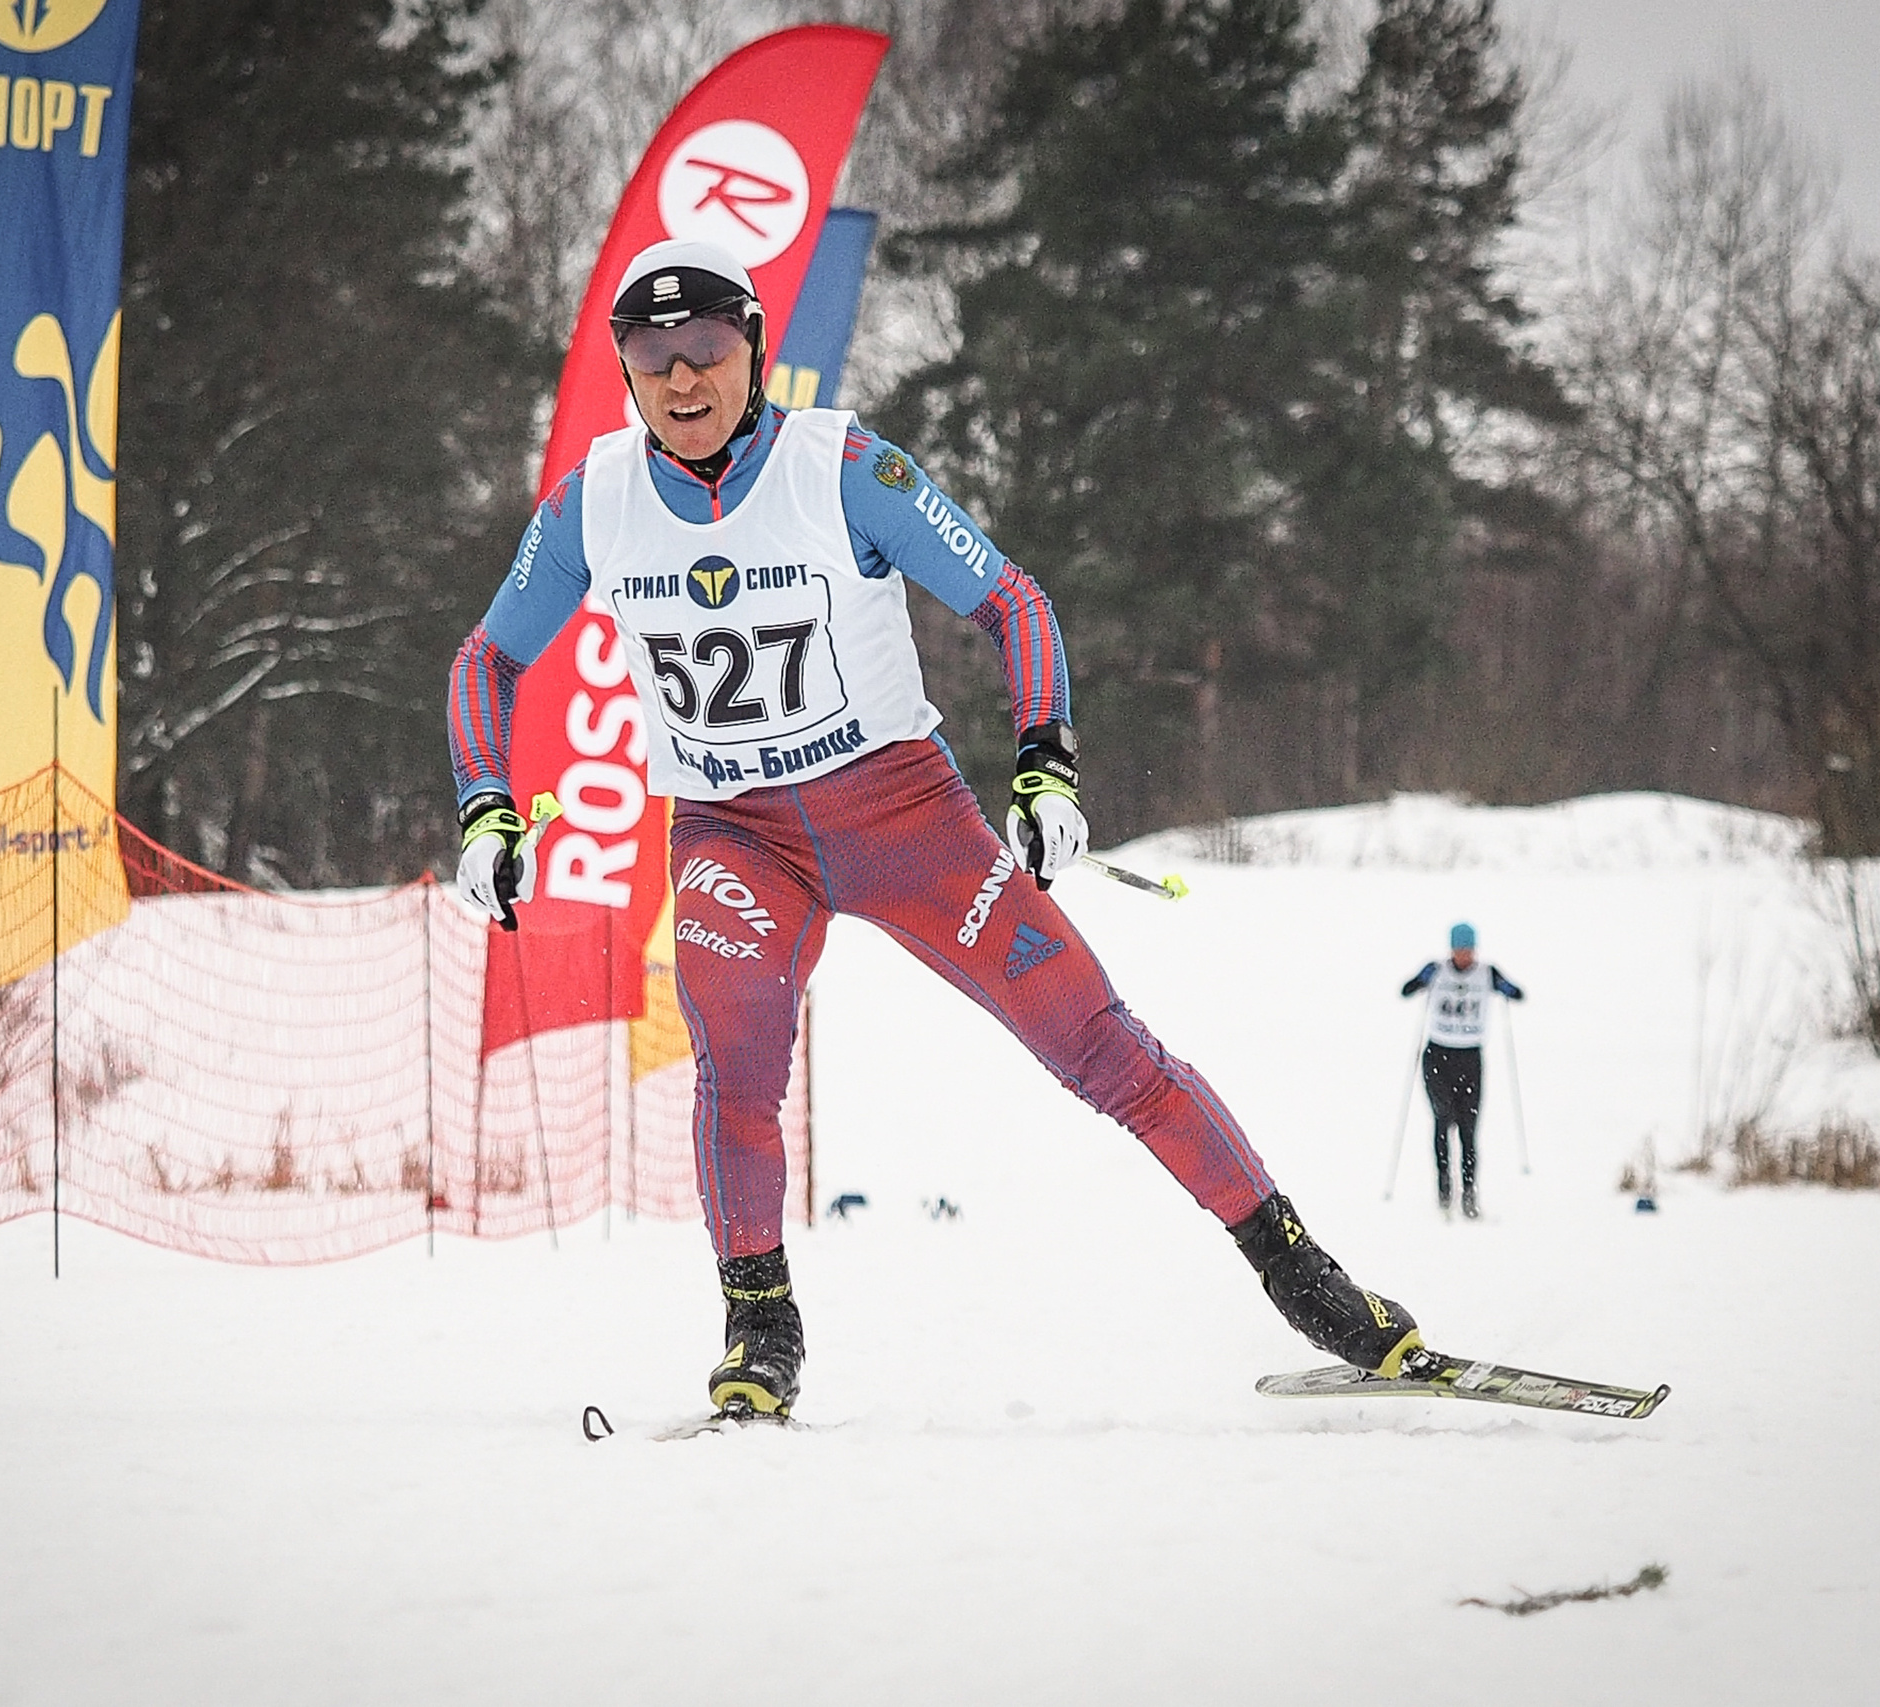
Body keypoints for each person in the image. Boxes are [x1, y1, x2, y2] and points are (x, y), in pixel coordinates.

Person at [444, 237, 1422, 1419]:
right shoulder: (594, 501)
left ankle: (1309, 1281)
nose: (683, 381)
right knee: (737, 1064)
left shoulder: (842, 467)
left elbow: (1012, 599)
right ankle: (761, 1330)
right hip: (731, 835)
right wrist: (486, 807)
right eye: (652, 359)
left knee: (1100, 1051)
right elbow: (488, 659)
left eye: (705, 350)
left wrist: (1044, 768)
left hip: (902, 820)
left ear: (752, 349)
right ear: (627, 372)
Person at [1400, 923, 1523, 1220]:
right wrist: (1423, 979)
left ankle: (1469, 1192)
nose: (1464, 955)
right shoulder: (1437, 969)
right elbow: (1405, 990)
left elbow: (1518, 993)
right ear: (1451, 949)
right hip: (1438, 1055)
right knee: (1443, 1120)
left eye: (1468, 950)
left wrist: (1506, 989)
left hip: (1470, 1057)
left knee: (1468, 1128)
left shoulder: (1486, 973)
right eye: (1459, 949)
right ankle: (1444, 1187)